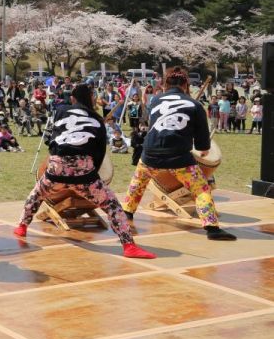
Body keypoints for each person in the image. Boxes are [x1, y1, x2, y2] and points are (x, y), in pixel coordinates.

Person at [12, 83, 156, 259]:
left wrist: (58, 158)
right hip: (84, 171)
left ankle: (22, 226)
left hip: (56, 166)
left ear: (73, 98)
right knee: (112, 206)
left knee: (37, 194)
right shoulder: (97, 119)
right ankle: (128, 245)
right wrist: (89, 174)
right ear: (91, 99)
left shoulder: (61, 110)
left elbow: (52, 140)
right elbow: (99, 154)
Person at [123, 66, 237, 241]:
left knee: (138, 182)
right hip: (179, 157)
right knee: (201, 189)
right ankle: (212, 228)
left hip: (150, 153)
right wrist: (204, 150)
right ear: (186, 84)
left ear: (164, 84)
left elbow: (148, 124)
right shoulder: (195, 105)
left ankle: (127, 214)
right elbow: (202, 143)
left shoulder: (155, 100)